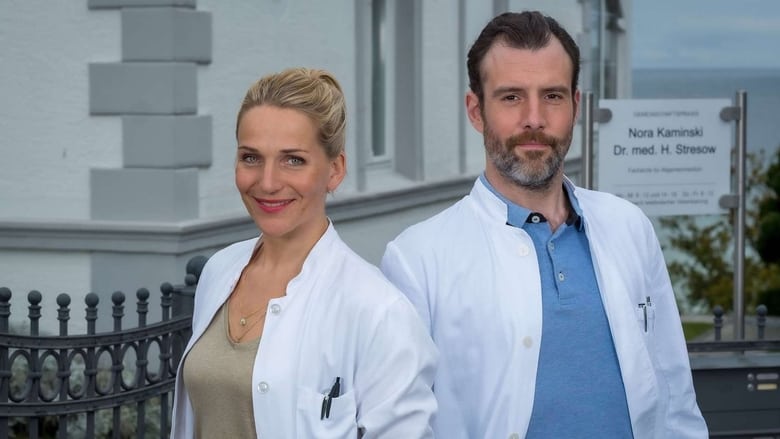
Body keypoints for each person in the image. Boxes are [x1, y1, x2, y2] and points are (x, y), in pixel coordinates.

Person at [380, 11, 708, 439]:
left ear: (575, 105)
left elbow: (675, 396)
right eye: (511, 97)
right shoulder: (417, 259)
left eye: (552, 96)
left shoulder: (628, 226)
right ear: (476, 111)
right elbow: (401, 426)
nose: (534, 118)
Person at [170, 67, 438, 438]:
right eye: (251, 157)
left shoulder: (379, 312)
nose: (267, 182)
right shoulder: (219, 271)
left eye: (293, 160)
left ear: (335, 170)